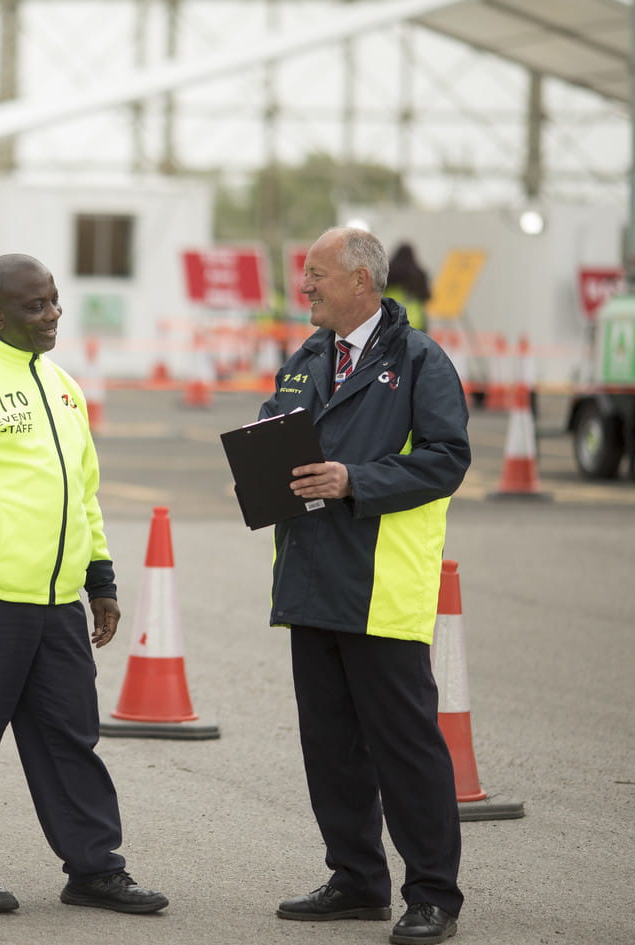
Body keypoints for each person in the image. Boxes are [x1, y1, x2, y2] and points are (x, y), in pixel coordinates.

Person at [0, 252, 167, 916]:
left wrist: (99, 579)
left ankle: (94, 869)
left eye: (53, 301)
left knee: (70, 738)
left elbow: (86, 494)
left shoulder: (63, 387)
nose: (52, 315)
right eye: (34, 305)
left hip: (56, 608)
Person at [259, 227, 470, 945]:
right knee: (331, 743)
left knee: (403, 745)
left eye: (315, 274)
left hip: (381, 585)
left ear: (359, 280)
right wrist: (259, 469)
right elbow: (273, 432)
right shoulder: (307, 358)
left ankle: (433, 893)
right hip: (312, 578)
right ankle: (355, 878)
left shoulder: (417, 360)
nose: (305, 287)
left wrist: (356, 480)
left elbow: (446, 459)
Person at [386, 241, 431, 332]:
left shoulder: (388, 273)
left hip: (391, 320)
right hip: (416, 322)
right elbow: (427, 296)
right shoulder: (419, 275)